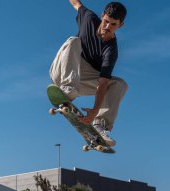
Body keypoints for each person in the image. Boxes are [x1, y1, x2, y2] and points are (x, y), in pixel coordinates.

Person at [49, 0, 128, 147]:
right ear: (102, 15)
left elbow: (103, 83)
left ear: (120, 25)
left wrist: (95, 110)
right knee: (74, 41)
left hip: (82, 81)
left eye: (113, 24)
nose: (107, 27)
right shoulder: (89, 18)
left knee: (120, 84)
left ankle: (100, 125)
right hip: (62, 70)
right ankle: (67, 89)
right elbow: (75, 3)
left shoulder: (111, 51)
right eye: (105, 21)